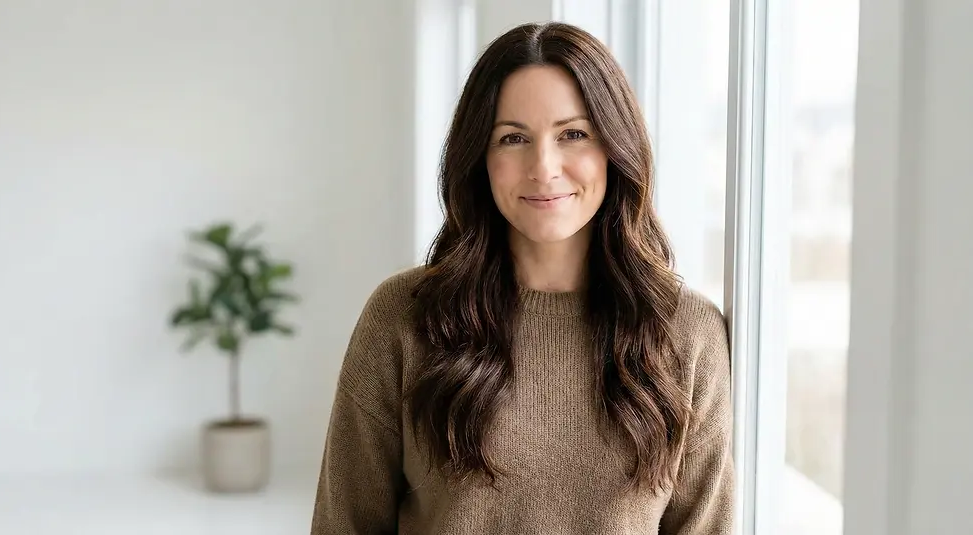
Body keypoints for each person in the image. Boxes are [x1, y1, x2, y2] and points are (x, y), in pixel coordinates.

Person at [311, 21, 733, 535]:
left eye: (573, 134)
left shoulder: (686, 331)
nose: (544, 166)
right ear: (479, 159)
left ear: (614, 148)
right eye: (513, 138)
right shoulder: (403, 316)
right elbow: (344, 524)